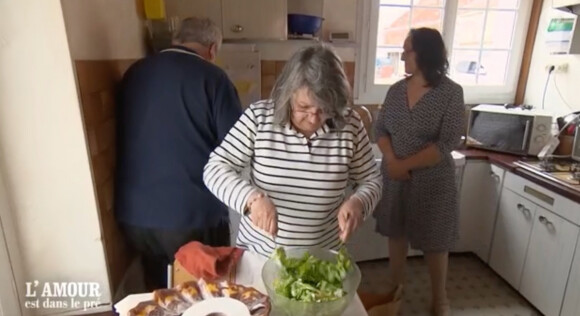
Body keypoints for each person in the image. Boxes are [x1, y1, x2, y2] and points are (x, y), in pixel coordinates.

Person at [202, 44, 382, 257]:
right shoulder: (259, 118)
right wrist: (251, 199)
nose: (314, 118)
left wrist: (359, 201)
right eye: (304, 108)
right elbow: (214, 169)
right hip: (261, 255)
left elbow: (372, 179)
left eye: (324, 110)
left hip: (322, 257)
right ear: (288, 95)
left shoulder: (349, 124)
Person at [114, 17, 242, 290]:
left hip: (136, 218)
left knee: (160, 295)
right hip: (191, 218)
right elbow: (237, 147)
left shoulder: (134, 72)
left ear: (177, 40)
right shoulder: (213, 78)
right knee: (206, 295)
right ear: (212, 49)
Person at [373, 28, 465, 316]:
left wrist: (404, 165)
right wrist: (391, 159)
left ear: (425, 53)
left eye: (407, 50)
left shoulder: (451, 93)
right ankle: (396, 290)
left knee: (435, 241)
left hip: (433, 180)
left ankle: (439, 298)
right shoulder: (396, 90)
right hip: (396, 178)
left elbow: (448, 141)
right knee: (397, 234)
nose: (402, 56)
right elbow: (380, 129)